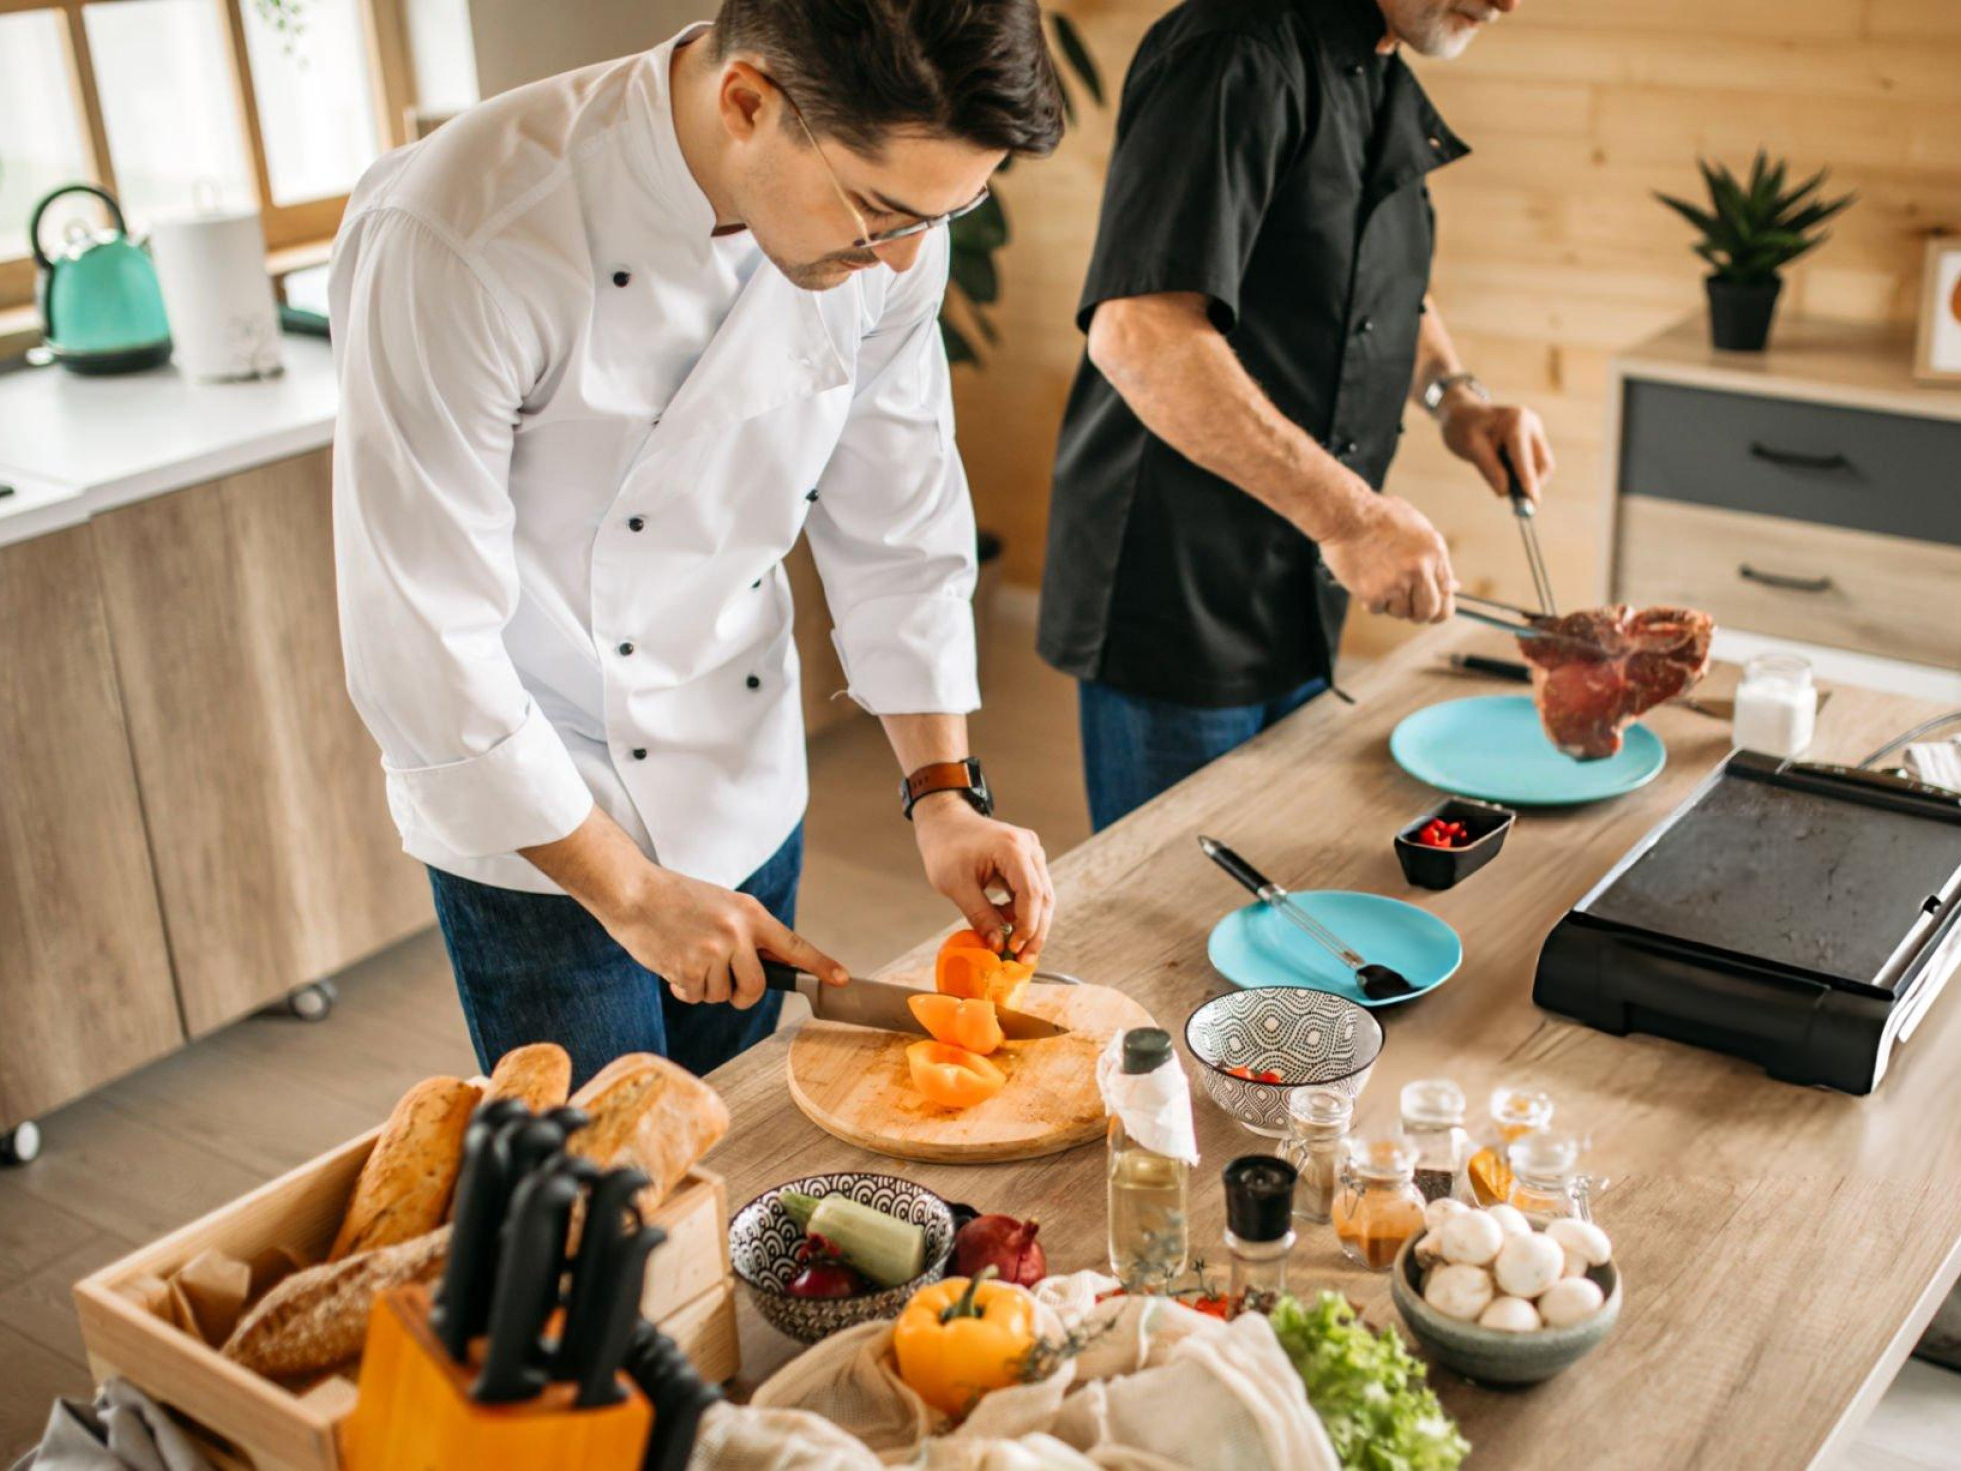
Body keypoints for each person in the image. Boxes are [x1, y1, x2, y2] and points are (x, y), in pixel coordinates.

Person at [329, 1, 1066, 1087]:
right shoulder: (461, 233)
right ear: (748, 103)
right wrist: (627, 891)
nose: (903, 257)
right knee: (607, 1204)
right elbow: (420, 642)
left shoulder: (893, 225)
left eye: (942, 213)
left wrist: (944, 790)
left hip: (740, 761)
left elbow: (896, 514)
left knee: (736, 1138)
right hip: (545, 808)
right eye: (880, 214)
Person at [1037, 0, 1556, 830]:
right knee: (1171, 917)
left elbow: (1373, 285)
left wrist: (1456, 398)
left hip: (1304, 574)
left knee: (1274, 882)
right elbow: (1138, 333)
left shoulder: (1378, 69)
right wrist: (1353, 518)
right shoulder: (1232, 50)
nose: (1512, 2)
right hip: (1179, 584)